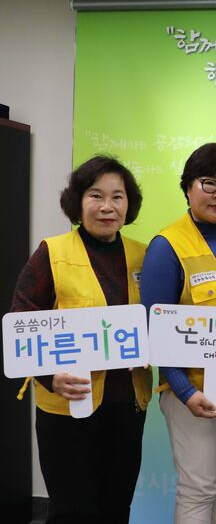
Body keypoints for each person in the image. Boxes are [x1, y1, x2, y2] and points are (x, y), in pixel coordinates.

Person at [11, 156, 151, 523]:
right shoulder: (52, 253)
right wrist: (50, 377)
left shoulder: (144, 255)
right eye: (96, 195)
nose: (107, 207)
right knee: (72, 511)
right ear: (78, 201)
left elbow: (158, 320)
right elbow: (21, 325)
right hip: (67, 407)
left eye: (117, 197)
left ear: (129, 204)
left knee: (116, 507)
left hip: (126, 405)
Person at [140, 143, 216, 524]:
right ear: (188, 186)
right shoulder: (167, 246)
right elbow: (154, 329)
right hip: (192, 394)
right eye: (209, 183)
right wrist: (184, 390)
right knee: (199, 489)